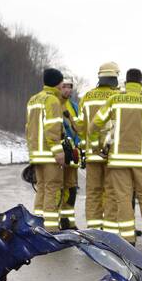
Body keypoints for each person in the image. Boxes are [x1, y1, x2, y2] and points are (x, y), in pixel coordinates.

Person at [91, 68, 142, 248]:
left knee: (122, 198)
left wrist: (95, 145)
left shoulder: (114, 100)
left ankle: (128, 240)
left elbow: (94, 125)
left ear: (126, 82)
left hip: (118, 161)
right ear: (141, 83)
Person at [79, 62, 122, 229]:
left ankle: (94, 228)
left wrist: (85, 148)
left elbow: (83, 127)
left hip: (92, 153)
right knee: (111, 192)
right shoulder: (118, 97)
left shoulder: (87, 97)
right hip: (113, 153)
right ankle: (110, 228)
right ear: (115, 77)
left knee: (93, 192)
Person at [25, 68, 70, 221]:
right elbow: (52, 128)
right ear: (57, 83)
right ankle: (50, 228)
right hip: (49, 154)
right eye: (61, 83)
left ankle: (37, 225)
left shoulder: (33, 100)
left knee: (41, 189)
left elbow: (28, 128)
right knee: (52, 189)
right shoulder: (52, 100)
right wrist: (58, 152)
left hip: (37, 154)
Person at [57, 77, 83, 229]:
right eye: (64, 86)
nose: (67, 89)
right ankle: (56, 220)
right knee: (58, 189)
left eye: (70, 87)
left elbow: (79, 127)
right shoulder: (54, 104)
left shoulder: (74, 106)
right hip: (60, 154)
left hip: (72, 155)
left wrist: (78, 146)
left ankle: (68, 220)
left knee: (71, 189)